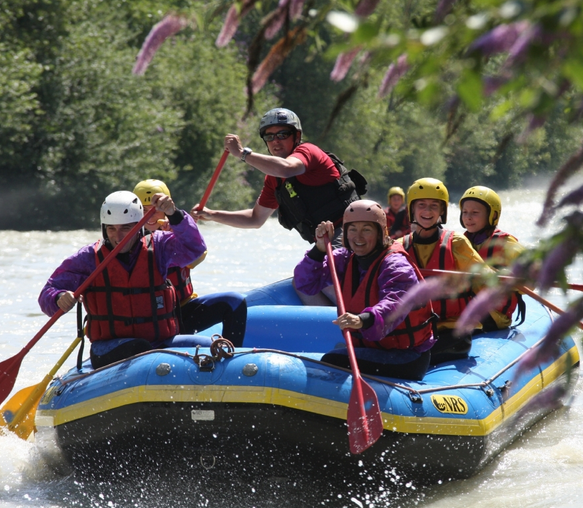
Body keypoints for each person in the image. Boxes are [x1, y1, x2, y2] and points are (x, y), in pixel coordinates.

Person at [39, 191, 234, 370]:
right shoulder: (88, 258)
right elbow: (48, 292)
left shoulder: (159, 247)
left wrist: (174, 214)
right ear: (103, 229)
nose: (118, 236)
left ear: (139, 226)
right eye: (111, 229)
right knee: (139, 347)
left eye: (126, 228)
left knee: (213, 347)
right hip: (109, 347)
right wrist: (59, 297)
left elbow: (194, 249)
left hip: (161, 343)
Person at [294, 200, 436, 380]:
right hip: (371, 347)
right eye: (353, 229)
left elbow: (396, 303)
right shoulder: (345, 259)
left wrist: (362, 320)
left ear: (380, 233)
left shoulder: (395, 264)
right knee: (337, 356)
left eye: (366, 230)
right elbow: (305, 283)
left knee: (333, 360)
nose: (358, 237)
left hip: (406, 356)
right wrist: (319, 249)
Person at [191, 107, 365, 246]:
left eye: (282, 134)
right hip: (324, 241)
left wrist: (242, 154)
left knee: (322, 278)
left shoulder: (308, 151)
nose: (276, 141)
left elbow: (287, 169)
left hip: (354, 231)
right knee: (304, 280)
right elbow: (255, 218)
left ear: (297, 136)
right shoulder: (274, 179)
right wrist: (212, 214)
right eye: (269, 136)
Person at [133, 179, 247, 345]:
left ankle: (231, 358)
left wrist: (181, 234)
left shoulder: (177, 232)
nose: (149, 215)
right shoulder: (128, 243)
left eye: (155, 209)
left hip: (183, 312)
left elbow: (197, 257)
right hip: (154, 322)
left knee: (235, 302)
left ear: (166, 208)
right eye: (143, 210)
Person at [399, 178, 487, 364]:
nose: (428, 211)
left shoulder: (456, 243)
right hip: (415, 331)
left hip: (452, 332)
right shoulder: (400, 247)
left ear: (442, 211)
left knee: (415, 357)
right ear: (412, 209)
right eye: (421, 205)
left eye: (434, 206)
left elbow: (485, 279)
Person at [460, 185, 525, 331]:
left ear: (493, 215)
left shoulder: (506, 244)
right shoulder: (460, 242)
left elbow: (532, 280)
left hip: (494, 315)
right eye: (465, 212)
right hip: (469, 307)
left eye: (475, 212)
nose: (468, 217)